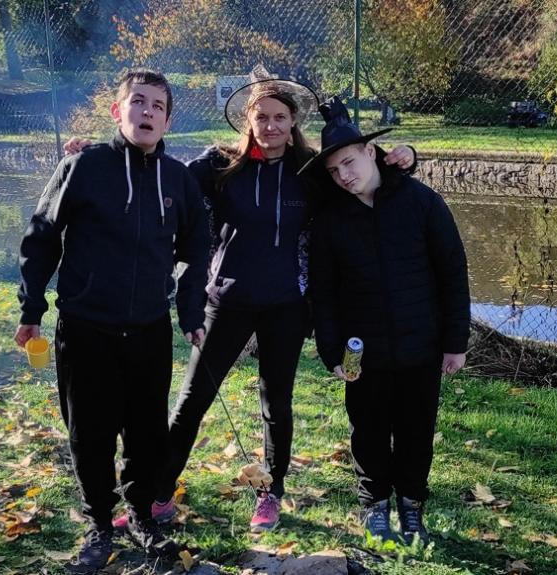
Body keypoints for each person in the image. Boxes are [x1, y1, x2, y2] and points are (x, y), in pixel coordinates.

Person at [64, 75, 418, 532]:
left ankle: (271, 492)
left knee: (276, 404)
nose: (271, 126)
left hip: (287, 306)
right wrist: (96, 150)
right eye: (261, 117)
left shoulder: (311, 172)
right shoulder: (218, 165)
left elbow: (364, 173)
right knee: (191, 401)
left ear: (293, 122)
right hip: (226, 301)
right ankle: (156, 495)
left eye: (280, 117)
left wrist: (406, 156)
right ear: (247, 120)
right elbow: (153, 166)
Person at [14, 69, 209, 573]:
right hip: (86, 328)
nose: (148, 112)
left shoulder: (178, 179)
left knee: (146, 433)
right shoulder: (83, 166)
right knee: (90, 434)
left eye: (158, 106)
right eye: (138, 102)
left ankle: (141, 516)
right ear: (117, 111)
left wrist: (191, 311)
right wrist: (32, 309)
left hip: (149, 330)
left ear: (168, 120)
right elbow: (42, 237)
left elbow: (196, 248)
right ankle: (99, 523)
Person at [301, 96, 470, 547]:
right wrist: (331, 350)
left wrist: (455, 340)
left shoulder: (422, 202)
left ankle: (412, 504)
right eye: (334, 170)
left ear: (371, 152)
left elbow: (453, 272)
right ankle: (374, 503)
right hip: (362, 353)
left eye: (349, 162)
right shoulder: (330, 221)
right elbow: (324, 294)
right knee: (368, 431)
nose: (344, 176)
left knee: (417, 431)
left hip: (422, 344)